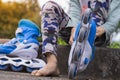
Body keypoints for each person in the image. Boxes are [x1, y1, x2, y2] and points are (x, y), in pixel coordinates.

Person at [31, 0, 120, 76]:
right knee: (49, 6)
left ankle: (88, 41)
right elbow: (74, 12)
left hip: (98, 35)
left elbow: (114, 19)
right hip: (76, 32)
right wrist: (74, 29)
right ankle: (51, 63)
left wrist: (102, 29)